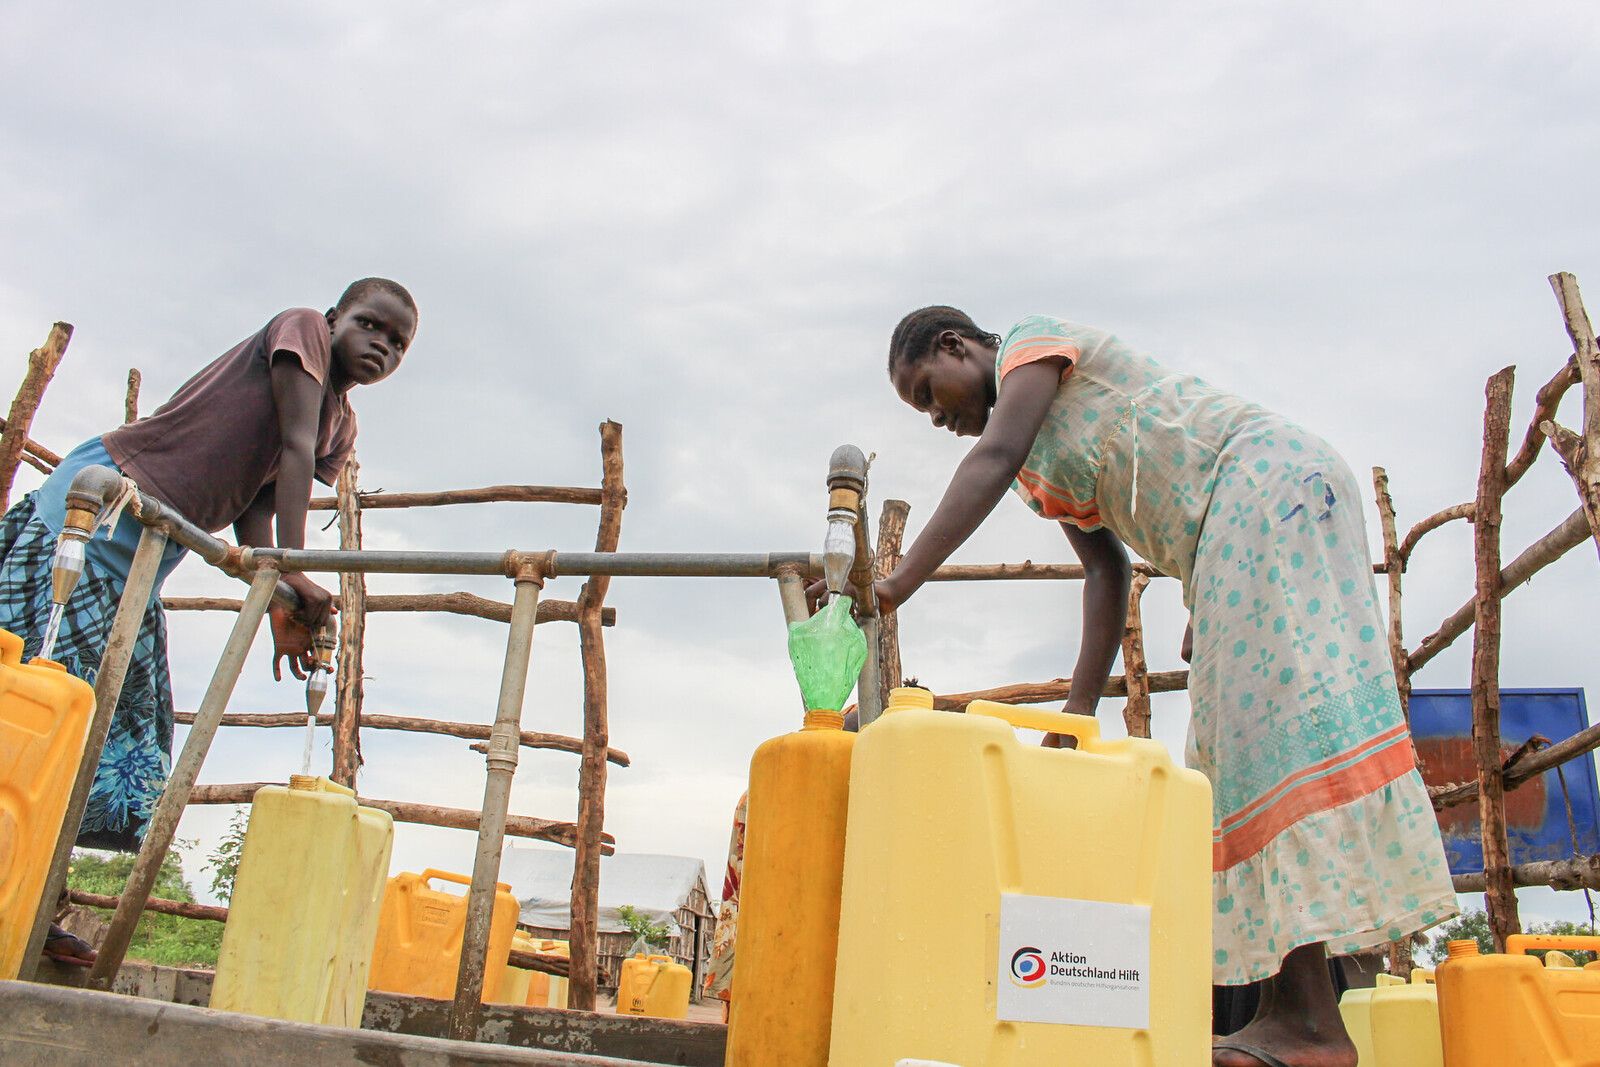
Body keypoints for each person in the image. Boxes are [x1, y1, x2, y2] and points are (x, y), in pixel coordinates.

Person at [857, 306, 1455, 1067]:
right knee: (1233, 748)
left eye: (926, 391)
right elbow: (1106, 571)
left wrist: (895, 582)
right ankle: (1293, 1013)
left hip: (1260, 483)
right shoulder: (1037, 471)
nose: (936, 416)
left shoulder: (1032, 350)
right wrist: (1078, 706)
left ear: (958, 345)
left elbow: (993, 453)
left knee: (1253, 748)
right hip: (1236, 525)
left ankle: (1310, 1027)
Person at [0, 278, 416, 874]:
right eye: (369, 324)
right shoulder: (300, 330)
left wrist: (274, 593)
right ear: (332, 319)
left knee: (117, 724)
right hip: (97, 508)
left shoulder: (340, 427)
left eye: (398, 343)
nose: (382, 345)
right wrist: (291, 570)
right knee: (35, 700)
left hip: (147, 553)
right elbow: (294, 447)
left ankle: (33, 885)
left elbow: (256, 504)